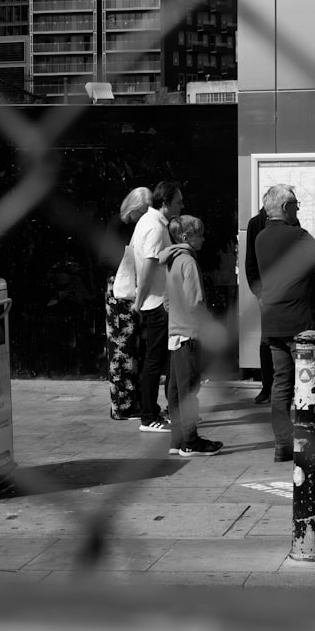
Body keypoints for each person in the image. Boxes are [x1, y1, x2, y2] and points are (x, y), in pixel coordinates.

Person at [255, 184, 315, 464]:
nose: (299, 208)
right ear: (286, 207)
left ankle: (282, 445)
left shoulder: (261, 237)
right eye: (296, 204)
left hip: (273, 320)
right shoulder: (297, 235)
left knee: (281, 384)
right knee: (312, 385)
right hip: (302, 321)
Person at [163, 215, 223, 457]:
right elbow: (196, 301)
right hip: (190, 334)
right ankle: (191, 441)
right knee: (189, 390)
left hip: (175, 332)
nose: (204, 238)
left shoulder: (171, 262)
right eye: (200, 234)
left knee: (176, 390)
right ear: (187, 237)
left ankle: (177, 439)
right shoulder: (188, 262)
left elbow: (167, 300)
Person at [132, 180, 185, 433]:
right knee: (155, 360)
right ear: (165, 203)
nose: (182, 206)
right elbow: (148, 265)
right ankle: (148, 415)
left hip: (156, 300)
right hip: (156, 302)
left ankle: (155, 410)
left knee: (158, 359)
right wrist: (140, 300)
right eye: (178, 202)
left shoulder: (152, 222)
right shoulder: (154, 226)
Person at [102, 186, 151, 420]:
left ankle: (134, 401)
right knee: (122, 350)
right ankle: (122, 405)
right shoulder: (118, 225)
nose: (143, 217)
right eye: (141, 211)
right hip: (120, 290)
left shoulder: (138, 225)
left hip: (132, 288)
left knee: (135, 348)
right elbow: (104, 257)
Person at [244, 206, 274, 405]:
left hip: (287, 290)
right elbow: (250, 261)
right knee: (267, 339)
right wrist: (258, 292)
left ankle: (285, 386)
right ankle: (267, 386)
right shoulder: (256, 223)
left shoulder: (291, 221)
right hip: (267, 291)